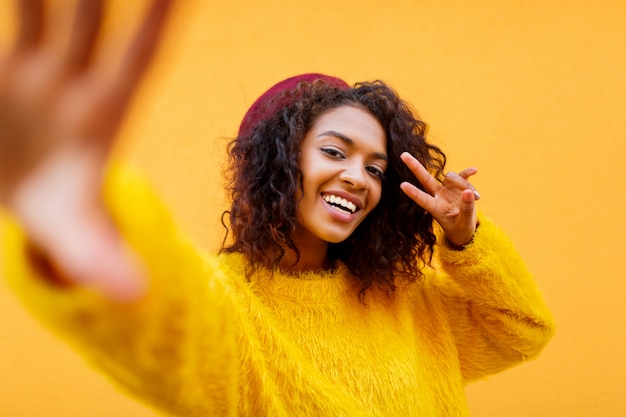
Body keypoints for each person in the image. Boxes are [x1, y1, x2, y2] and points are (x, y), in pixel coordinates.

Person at [0, 1, 555, 416]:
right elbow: (164, 325)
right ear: (279, 162)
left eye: (375, 167)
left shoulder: (405, 300)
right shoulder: (232, 306)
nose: (356, 178)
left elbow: (522, 331)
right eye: (334, 151)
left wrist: (465, 241)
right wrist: (72, 222)